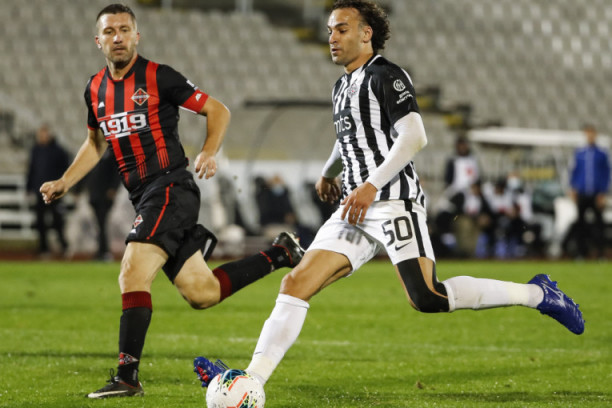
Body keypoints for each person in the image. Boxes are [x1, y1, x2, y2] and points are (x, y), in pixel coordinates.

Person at [193, 0, 584, 395]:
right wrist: (329, 172)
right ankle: (251, 381)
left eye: (341, 29)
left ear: (366, 34)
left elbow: (415, 136)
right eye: (329, 30)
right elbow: (350, 136)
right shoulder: (341, 85)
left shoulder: (386, 74)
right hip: (353, 207)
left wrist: (372, 185)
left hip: (393, 201)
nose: (332, 37)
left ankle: (538, 293)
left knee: (427, 297)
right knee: (295, 283)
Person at [39, 4, 305, 399]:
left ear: (136, 36)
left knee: (132, 270)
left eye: (124, 29)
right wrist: (65, 180)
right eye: (109, 31)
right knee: (202, 292)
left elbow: (217, 110)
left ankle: (127, 378)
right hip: (144, 196)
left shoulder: (159, 77)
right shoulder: (94, 88)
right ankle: (281, 253)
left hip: (169, 188)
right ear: (98, 41)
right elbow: (96, 144)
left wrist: (209, 150)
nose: (117, 37)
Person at [26, 124, 70, 257]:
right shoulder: (36, 150)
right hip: (39, 191)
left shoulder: (58, 151)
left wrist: (61, 185)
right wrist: (29, 187)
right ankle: (43, 249)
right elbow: (31, 170)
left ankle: (64, 247)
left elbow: (65, 169)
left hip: (54, 192)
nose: (42, 137)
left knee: (57, 220)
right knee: (40, 221)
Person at [569, 124, 610, 259]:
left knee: (599, 224)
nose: (590, 136)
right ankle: (581, 253)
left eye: (592, 133)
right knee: (580, 223)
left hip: (596, 194)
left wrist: (603, 192)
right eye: (587, 134)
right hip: (582, 193)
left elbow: (606, 173)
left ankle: (600, 254)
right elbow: (574, 171)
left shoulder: (601, 154)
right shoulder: (579, 153)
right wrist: (573, 188)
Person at [86, 149, 121, 260]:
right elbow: (87, 173)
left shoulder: (111, 154)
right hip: (94, 195)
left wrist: (113, 188)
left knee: (102, 223)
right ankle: (102, 250)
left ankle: (104, 251)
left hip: (105, 195)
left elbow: (117, 172)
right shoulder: (93, 153)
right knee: (100, 224)